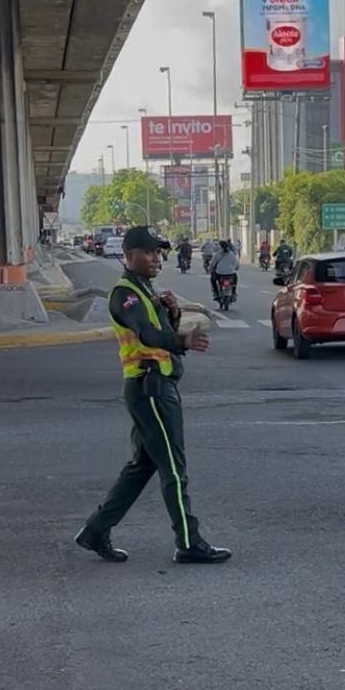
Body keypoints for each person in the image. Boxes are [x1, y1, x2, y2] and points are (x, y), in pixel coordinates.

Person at [75, 226, 231, 565]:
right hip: (150, 388)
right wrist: (181, 340)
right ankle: (188, 541)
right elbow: (146, 335)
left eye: (157, 252)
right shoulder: (125, 294)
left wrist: (172, 315)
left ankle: (95, 530)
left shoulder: (146, 291)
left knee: (142, 466)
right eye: (147, 252)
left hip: (155, 385)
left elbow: (160, 332)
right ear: (128, 255)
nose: (155, 258)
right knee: (173, 467)